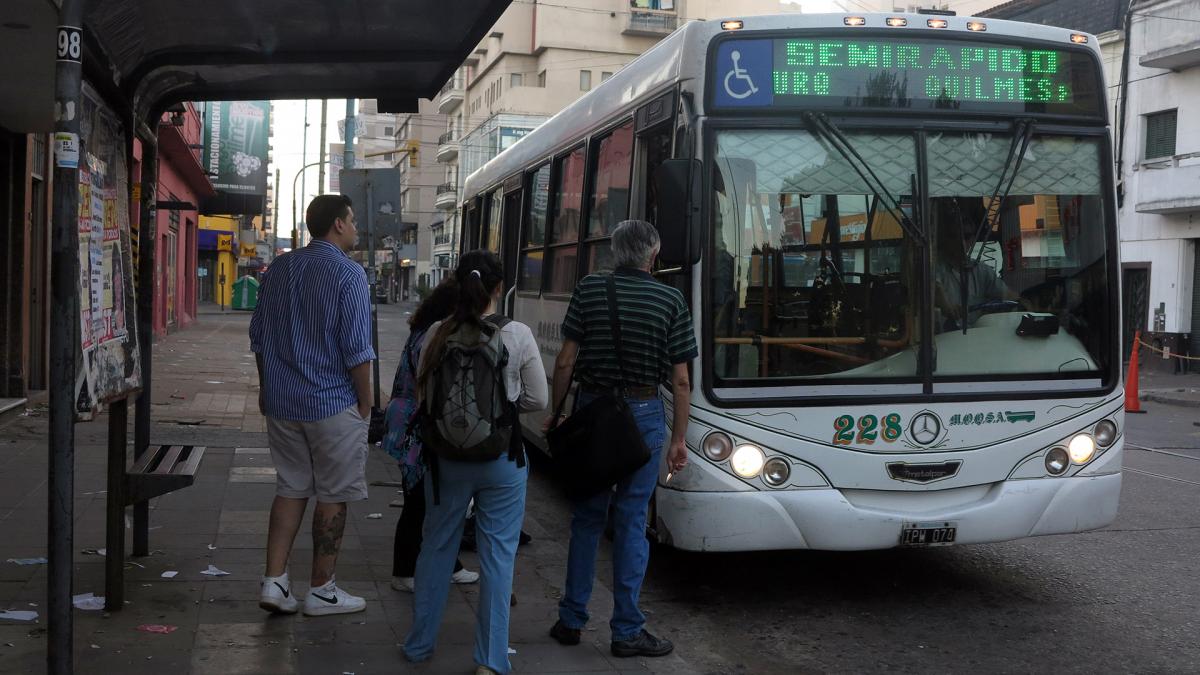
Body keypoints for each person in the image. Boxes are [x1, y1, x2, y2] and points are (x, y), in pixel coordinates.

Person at [547, 220, 697, 658]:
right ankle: (627, 630)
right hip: (645, 415)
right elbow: (682, 380)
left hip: (594, 412)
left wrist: (558, 416)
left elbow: (566, 360)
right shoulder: (670, 299)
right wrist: (679, 439)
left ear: (614, 252)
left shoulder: (591, 289)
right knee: (632, 521)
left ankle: (571, 619)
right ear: (653, 255)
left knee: (587, 518)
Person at [403, 250, 548, 675]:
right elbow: (539, 399)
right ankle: (490, 660)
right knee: (498, 558)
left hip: (446, 460)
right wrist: (499, 413)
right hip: (502, 460)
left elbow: (422, 398)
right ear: (499, 288)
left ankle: (418, 646)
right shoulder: (517, 334)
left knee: (436, 546)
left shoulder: (434, 333)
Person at [250, 194, 374, 617]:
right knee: (333, 494)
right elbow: (357, 349)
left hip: (283, 403)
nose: (356, 229)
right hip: (331, 403)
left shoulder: (279, 268)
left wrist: (268, 390)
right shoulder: (349, 274)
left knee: (290, 486)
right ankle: (322, 589)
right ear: (338, 224)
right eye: (353, 220)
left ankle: (275, 581)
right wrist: (367, 402)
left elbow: (259, 338)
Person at [383, 281, 479, 592]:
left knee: (425, 497)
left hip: (404, 418)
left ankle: (446, 564)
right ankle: (404, 571)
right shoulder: (434, 336)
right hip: (416, 422)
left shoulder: (421, 330)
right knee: (419, 501)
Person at [933, 198, 1020, 330]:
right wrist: (947, 307)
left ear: (973, 239)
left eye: (966, 236)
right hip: (945, 340)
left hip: (979, 338)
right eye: (955, 236)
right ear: (946, 239)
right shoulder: (935, 268)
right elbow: (935, 287)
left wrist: (1023, 302)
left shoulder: (981, 271)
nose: (961, 242)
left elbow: (1007, 295)